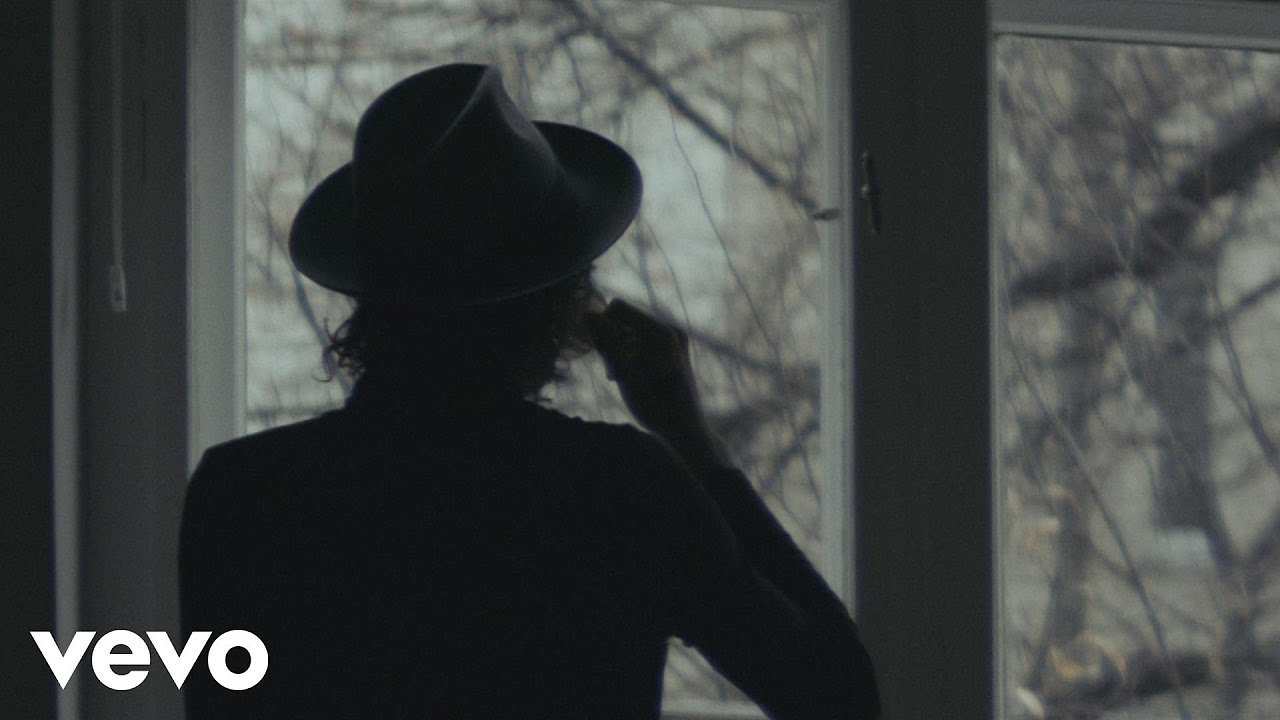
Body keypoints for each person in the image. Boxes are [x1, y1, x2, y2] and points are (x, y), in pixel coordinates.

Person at [180, 63, 879, 719]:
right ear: (552, 296)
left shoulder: (244, 496)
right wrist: (691, 440)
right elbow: (841, 697)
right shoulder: (622, 491)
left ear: (371, 292)